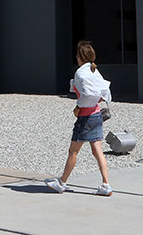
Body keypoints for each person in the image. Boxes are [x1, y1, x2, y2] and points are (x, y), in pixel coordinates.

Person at [45, 40, 112, 196]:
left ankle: (62, 183)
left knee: (73, 151)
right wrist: (97, 101)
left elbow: (86, 95)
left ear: (81, 57)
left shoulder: (81, 73)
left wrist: (79, 107)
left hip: (85, 118)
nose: (76, 57)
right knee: (98, 151)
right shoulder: (95, 71)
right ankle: (106, 184)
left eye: (77, 54)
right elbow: (104, 91)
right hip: (97, 115)